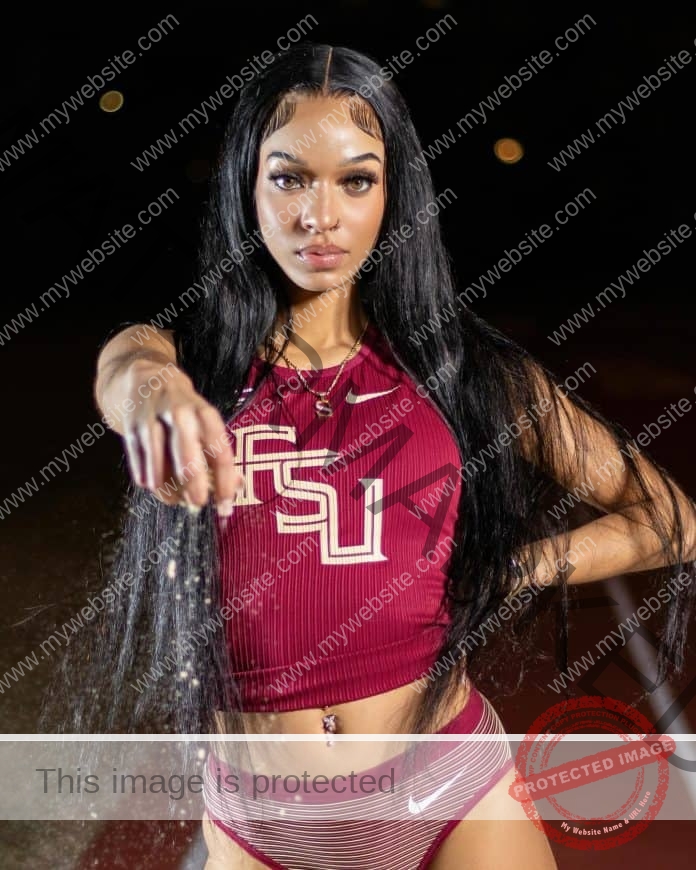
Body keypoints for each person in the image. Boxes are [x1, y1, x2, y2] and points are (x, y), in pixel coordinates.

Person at [45, 42, 695, 869]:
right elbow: (126, 361)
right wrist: (151, 394)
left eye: (355, 180)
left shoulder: (466, 372)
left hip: (454, 792)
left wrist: (519, 565)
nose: (321, 216)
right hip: (264, 821)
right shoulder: (192, 370)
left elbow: (671, 521)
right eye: (288, 178)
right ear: (247, 186)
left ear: (393, 195)